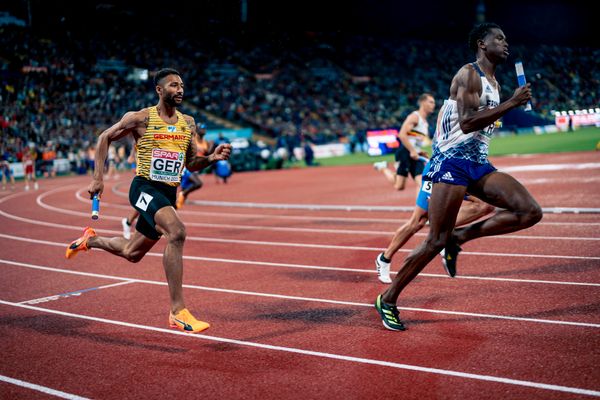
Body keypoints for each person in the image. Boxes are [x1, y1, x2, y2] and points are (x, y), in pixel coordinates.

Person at [375, 23, 542, 331]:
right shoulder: (469, 75)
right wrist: (512, 104)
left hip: (477, 163)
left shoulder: (494, 82)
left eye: (506, 38)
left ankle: (459, 237)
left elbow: (482, 124)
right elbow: (466, 124)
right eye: (499, 38)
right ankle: (387, 298)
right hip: (450, 162)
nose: (506, 43)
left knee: (530, 211)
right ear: (482, 43)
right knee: (433, 239)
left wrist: (506, 105)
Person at [65, 68, 232, 334]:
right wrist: (98, 178)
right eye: (174, 85)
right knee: (176, 232)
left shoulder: (187, 123)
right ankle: (178, 312)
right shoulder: (140, 118)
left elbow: (191, 163)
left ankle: (90, 240)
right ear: (159, 90)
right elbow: (104, 137)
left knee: (132, 253)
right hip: (143, 187)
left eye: (182, 86)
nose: (180, 90)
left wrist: (211, 158)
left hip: (167, 193)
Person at [375, 159, 495, 283]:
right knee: (418, 221)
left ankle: (442, 234)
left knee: (485, 205)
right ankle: (384, 258)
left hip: (463, 170)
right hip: (441, 170)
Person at [373, 93, 436, 195]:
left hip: (415, 155)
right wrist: (412, 151)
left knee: (422, 184)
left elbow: (414, 140)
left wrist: (419, 152)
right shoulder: (415, 117)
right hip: (405, 152)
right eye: (431, 102)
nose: (433, 105)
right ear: (422, 102)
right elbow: (402, 135)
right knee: (399, 186)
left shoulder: (425, 123)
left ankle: (419, 210)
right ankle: (383, 167)